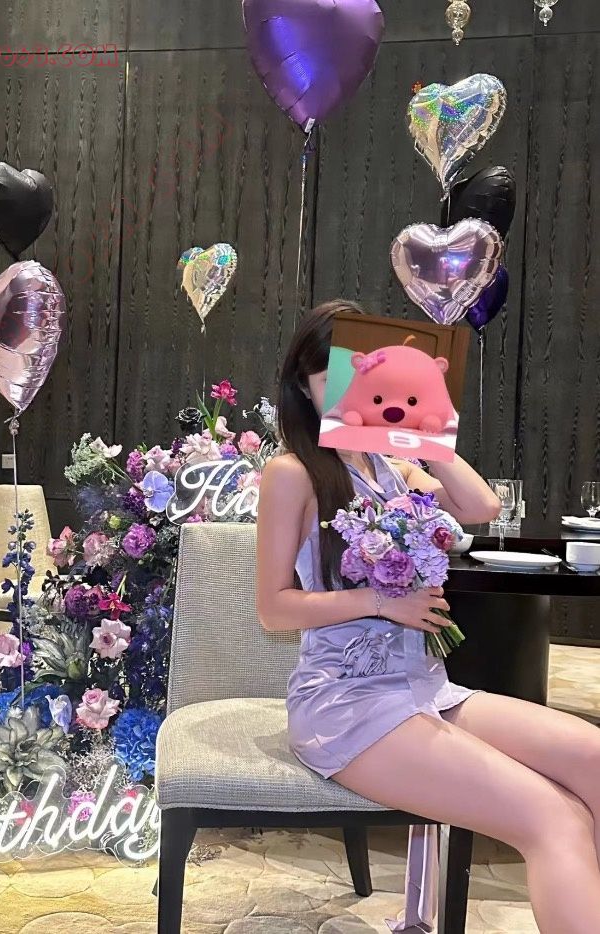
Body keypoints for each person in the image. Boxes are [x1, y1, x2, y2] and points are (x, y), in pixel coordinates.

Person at [256, 299, 600, 934]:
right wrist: (381, 602)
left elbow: (482, 505)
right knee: (554, 818)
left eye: (366, 375)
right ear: (303, 386)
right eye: (335, 376)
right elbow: (273, 608)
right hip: (347, 704)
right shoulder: (292, 473)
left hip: (425, 689)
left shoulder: (392, 468)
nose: (352, 390)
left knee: (594, 758)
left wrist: (423, 423)